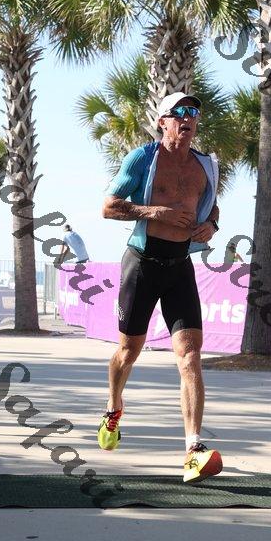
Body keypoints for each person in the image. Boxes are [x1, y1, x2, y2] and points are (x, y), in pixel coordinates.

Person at [97, 92, 222, 483]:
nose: (188, 118)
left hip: (179, 266)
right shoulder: (143, 158)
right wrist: (155, 211)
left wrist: (211, 225)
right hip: (142, 265)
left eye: (194, 112)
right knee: (128, 351)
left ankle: (193, 449)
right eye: (180, 112)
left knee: (190, 356)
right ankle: (113, 406)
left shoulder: (205, 165)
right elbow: (109, 206)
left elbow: (211, 206)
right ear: (162, 121)